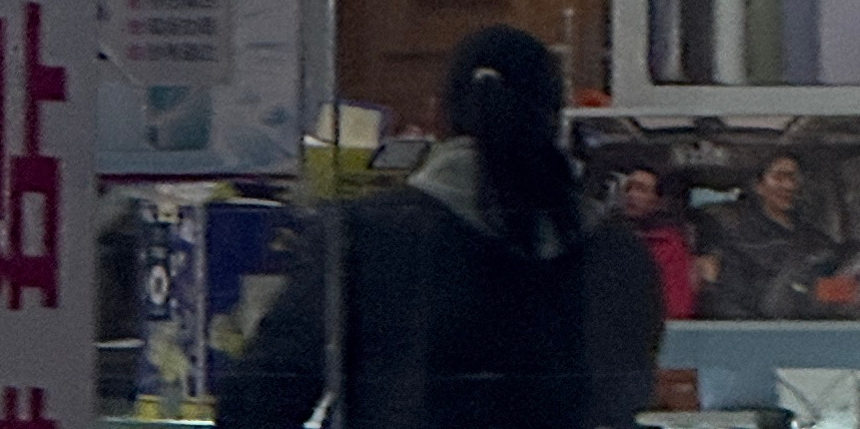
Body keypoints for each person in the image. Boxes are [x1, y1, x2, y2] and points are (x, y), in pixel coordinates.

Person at [219, 26, 665, 429]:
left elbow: (259, 402)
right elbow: (624, 398)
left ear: (439, 117)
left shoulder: (362, 237)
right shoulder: (617, 253)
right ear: (555, 119)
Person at [704, 148, 858, 324]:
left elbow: (833, 287)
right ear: (759, 186)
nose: (789, 185)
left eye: (794, 177)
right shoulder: (736, 239)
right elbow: (731, 301)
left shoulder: (815, 240)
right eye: (779, 177)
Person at [607, 163, 696, 322]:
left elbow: (677, 305)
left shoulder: (669, 245)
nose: (632, 195)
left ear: (657, 200)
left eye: (641, 189)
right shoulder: (607, 238)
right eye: (628, 188)